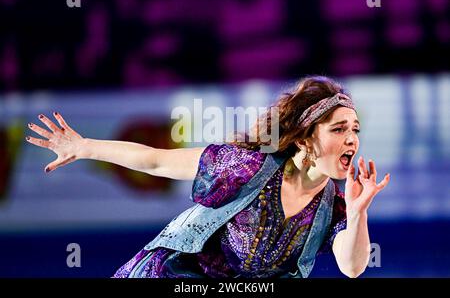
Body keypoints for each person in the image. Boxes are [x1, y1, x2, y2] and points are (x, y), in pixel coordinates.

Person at [25, 76, 390, 278]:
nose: (352, 139)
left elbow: (353, 267)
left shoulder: (334, 209)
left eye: (355, 130)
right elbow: (156, 161)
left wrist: (359, 213)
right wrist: (85, 146)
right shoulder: (248, 167)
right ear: (308, 136)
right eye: (339, 129)